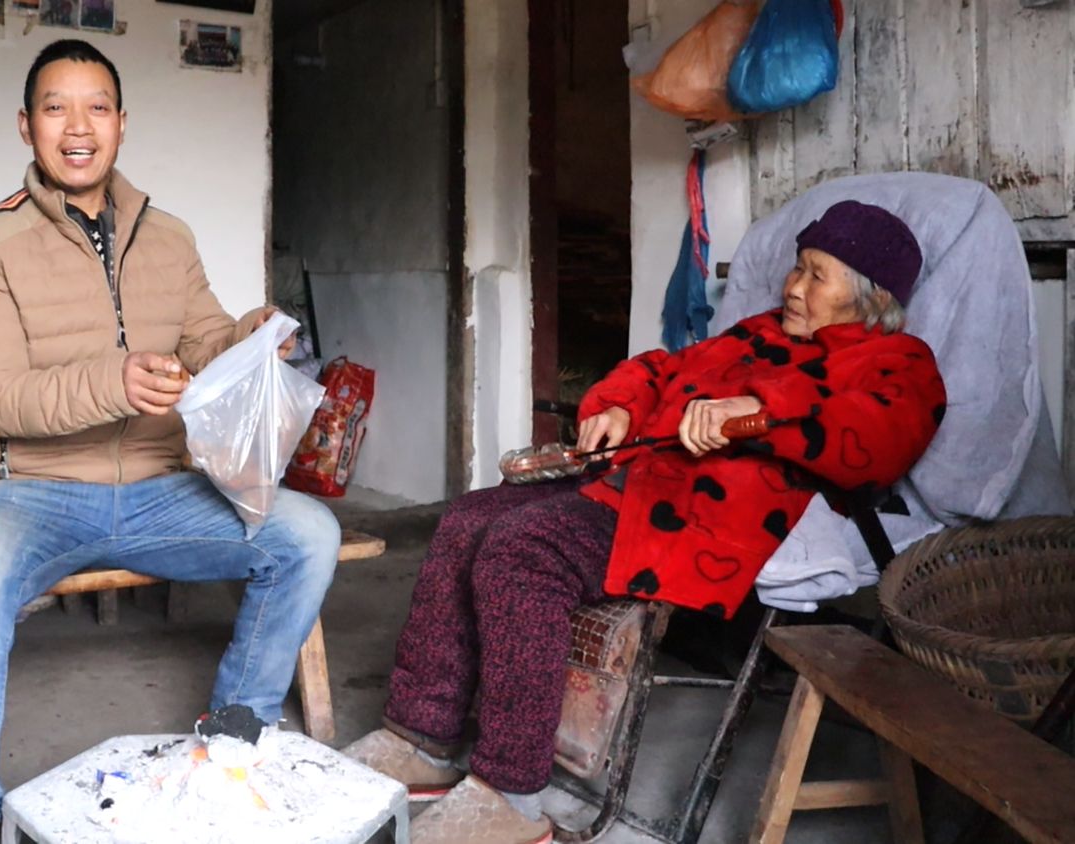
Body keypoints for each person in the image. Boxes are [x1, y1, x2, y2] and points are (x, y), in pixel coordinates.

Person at [345, 200, 947, 844]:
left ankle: (510, 793)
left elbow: (879, 440)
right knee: (467, 519)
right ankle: (423, 737)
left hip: (704, 518)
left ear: (870, 296)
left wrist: (759, 408)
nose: (793, 288)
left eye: (816, 275)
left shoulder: (897, 362)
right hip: (633, 481)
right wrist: (620, 409)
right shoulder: (760, 333)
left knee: (525, 549)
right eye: (797, 269)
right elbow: (661, 371)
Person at [0, 40, 341, 844]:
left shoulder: (167, 234)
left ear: (122, 123)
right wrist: (115, 381)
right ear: (26, 126)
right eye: (56, 107)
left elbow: (206, 337)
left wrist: (249, 335)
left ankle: (232, 741)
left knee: (308, 532)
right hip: (29, 492)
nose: (79, 127)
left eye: (97, 107)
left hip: (158, 487)